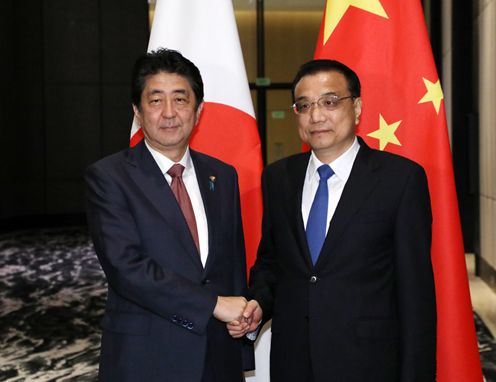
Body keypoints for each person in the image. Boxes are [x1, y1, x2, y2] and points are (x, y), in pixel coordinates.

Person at [229, 59, 437, 381]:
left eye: (329, 102)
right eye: (304, 105)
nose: (317, 116)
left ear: (356, 108)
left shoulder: (400, 179)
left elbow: (416, 296)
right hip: (293, 362)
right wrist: (258, 302)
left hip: (369, 364)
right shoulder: (278, 178)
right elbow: (271, 264)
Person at [85, 48, 251, 382]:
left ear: (198, 109)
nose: (169, 113)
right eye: (156, 100)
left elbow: (231, 263)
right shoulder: (109, 177)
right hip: (146, 358)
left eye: (180, 99)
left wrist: (242, 330)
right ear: (138, 110)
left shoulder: (222, 175)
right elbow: (126, 268)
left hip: (217, 357)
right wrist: (213, 305)